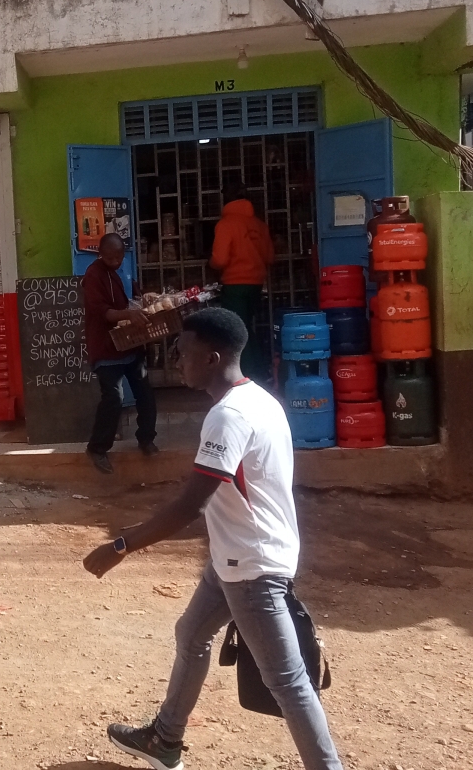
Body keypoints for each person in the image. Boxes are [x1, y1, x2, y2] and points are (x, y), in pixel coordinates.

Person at [83, 307, 342, 770]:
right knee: (192, 633)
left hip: (251, 565)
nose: (176, 358)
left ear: (212, 357)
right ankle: (164, 739)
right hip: (236, 556)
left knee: (288, 683)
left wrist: (121, 545)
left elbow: (189, 506)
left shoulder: (230, 416)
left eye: (183, 351)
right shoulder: (260, 399)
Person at [82, 233, 158, 475]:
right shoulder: (93, 276)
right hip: (106, 347)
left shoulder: (123, 271)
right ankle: (97, 447)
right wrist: (128, 315)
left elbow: (132, 298)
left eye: (119, 257)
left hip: (131, 344)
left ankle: (146, 438)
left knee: (145, 393)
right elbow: (101, 312)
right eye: (110, 258)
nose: (115, 262)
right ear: (100, 255)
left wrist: (145, 299)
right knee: (113, 397)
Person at [210, 183, 273, 381]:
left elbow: (220, 259)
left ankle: (250, 373)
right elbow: (269, 256)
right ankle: (260, 370)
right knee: (246, 326)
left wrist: (210, 263)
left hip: (235, 284)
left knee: (237, 329)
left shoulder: (226, 224)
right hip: (256, 284)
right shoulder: (259, 225)